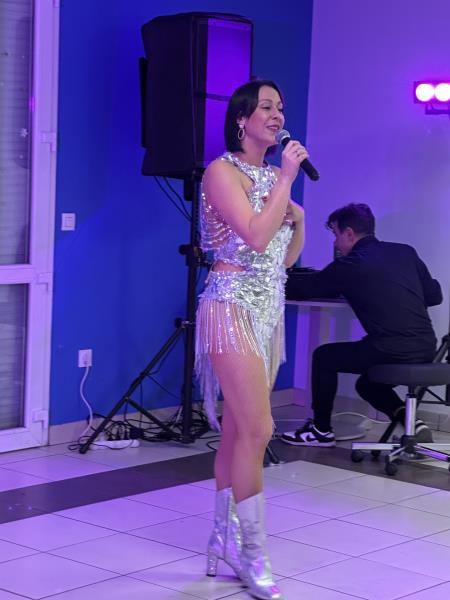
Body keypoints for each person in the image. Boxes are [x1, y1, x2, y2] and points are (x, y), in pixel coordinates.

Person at [195, 79, 307, 600]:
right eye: (266, 107)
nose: (277, 114)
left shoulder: (271, 177)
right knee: (260, 429)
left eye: (280, 107)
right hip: (230, 306)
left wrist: (300, 221)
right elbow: (256, 237)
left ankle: (223, 537)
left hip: (267, 312)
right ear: (241, 118)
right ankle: (254, 554)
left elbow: (281, 259)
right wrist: (286, 178)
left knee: (241, 431)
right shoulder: (222, 171)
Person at [281, 203, 442, 447]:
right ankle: (411, 422)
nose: (335, 243)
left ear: (349, 233)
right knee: (367, 385)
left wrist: (272, 274)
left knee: (324, 357)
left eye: (336, 234)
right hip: (427, 348)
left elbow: (303, 289)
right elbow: (434, 296)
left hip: (390, 349)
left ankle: (320, 431)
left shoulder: (351, 265)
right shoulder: (405, 252)